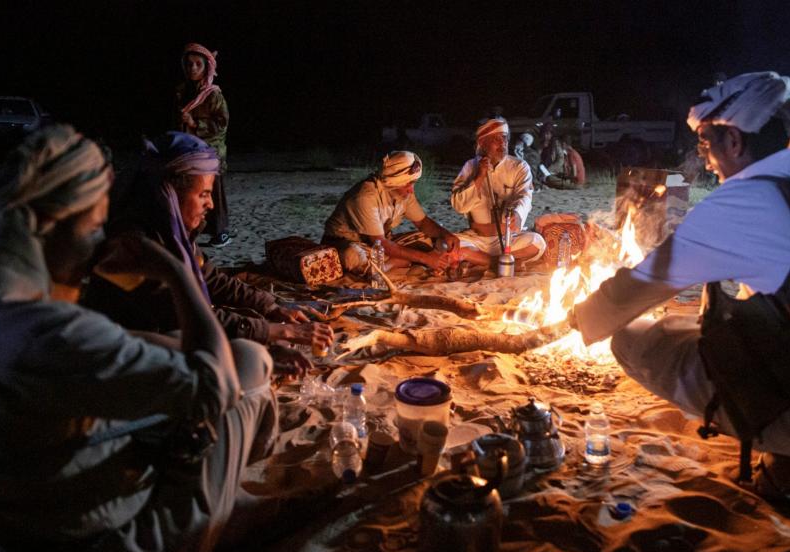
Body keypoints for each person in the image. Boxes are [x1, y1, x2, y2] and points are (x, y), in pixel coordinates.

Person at [570, 72, 790, 497]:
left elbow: (634, 290)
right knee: (756, 299)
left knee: (631, 339)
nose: (704, 158)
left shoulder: (741, 201)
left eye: (706, 143)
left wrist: (584, 318)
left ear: (736, 142)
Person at [0, 125, 278, 552]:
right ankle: (221, 514)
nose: (98, 240)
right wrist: (172, 271)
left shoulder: (13, 306)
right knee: (246, 366)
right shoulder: (48, 333)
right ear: (52, 223)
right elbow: (216, 384)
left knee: (170, 363)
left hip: (20, 548)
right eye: (91, 227)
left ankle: (222, 494)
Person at [84, 132, 332, 376]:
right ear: (169, 193)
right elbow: (179, 314)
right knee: (248, 352)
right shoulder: (132, 243)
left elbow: (212, 278)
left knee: (250, 327)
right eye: (203, 194)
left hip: (167, 332)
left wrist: (270, 306)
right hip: (131, 350)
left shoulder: (171, 233)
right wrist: (278, 332)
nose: (211, 204)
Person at [321, 150, 461, 275]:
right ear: (393, 182)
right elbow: (380, 243)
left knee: (426, 238)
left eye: (413, 183)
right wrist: (426, 258)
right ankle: (390, 265)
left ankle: (396, 262)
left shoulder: (403, 192)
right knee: (351, 255)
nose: (411, 190)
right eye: (407, 184)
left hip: (379, 244)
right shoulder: (365, 197)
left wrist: (446, 234)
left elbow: (423, 223)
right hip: (347, 243)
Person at [450, 118, 546, 267]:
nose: (503, 144)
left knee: (537, 242)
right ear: (482, 143)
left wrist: (518, 214)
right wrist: (479, 176)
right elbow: (459, 206)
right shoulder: (470, 166)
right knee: (449, 246)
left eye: (505, 138)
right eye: (496, 139)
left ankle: (481, 260)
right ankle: (502, 262)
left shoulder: (519, 166)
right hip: (477, 239)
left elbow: (524, 196)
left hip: (508, 239)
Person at [176, 42, 232, 248]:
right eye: (189, 64)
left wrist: (194, 123)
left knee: (214, 193)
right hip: (188, 151)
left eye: (198, 64)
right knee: (191, 192)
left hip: (210, 153)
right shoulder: (182, 91)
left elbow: (221, 124)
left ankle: (222, 232)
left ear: (206, 67)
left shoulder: (212, 94)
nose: (193, 68)